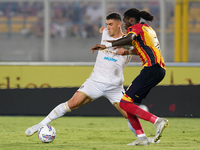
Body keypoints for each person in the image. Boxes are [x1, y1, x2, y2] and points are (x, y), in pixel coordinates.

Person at [25, 12, 157, 144]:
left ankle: (142, 138)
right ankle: (39, 125)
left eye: (111, 24)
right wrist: (103, 29)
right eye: (107, 25)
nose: (108, 27)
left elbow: (141, 50)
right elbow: (102, 30)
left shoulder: (128, 40)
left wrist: (127, 52)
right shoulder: (105, 33)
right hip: (95, 82)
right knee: (72, 104)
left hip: (114, 86)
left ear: (119, 24)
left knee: (128, 114)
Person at [90, 8, 169, 146]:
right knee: (127, 103)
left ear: (131, 19)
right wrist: (126, 52)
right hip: (159, 70)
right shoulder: (147, 29)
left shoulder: (136, 28)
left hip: (151, 69)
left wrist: (106, 45)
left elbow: (129, 37)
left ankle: (157, 121)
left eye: (125, 21)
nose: (125, 25)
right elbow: (142, 48)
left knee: (124, 103)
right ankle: (141, 138)